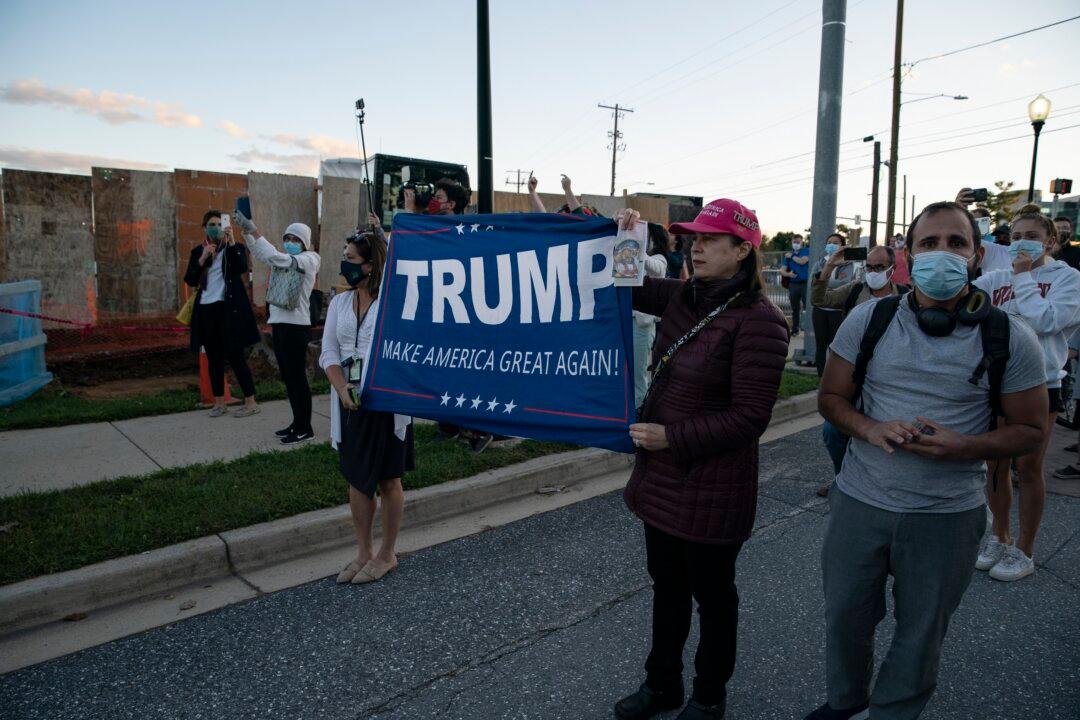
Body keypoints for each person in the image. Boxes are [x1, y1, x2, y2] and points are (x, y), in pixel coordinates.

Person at [806, 200, 1047, 720]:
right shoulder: (868, 319)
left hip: (947, 518)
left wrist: (967, 446)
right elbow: (830, 399)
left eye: (956, 244)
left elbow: (1032, 431)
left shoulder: (1011, 337)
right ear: (908, 258)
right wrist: (869, 427)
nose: (942, 254)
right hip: (860, 504)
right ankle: (845, 704)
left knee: (920, 636)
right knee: (845, 618)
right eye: (928, 244)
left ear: (977, 255)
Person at [613, 199, 789, 720]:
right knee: (666, 587)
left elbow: (750, 417)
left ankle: (709, 695)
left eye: (712, 239)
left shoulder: (761, 322)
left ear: (743, 250)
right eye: (694, 237)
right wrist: (628, 237)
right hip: (663, 478)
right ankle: (661, 683)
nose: (698, 245)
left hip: (715, 485)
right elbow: (628, 285)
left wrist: (673, 437)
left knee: (713, 597)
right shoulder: (686, 297)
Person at [972, 205, 1080, 581]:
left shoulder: (1068, 278)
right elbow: (966, 304)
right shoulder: (995, 277)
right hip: (996, 382)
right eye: (1016, 237)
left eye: (1031, 237)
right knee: (995, 464)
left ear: (1051, 241)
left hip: (1042, 383)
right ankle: (999, 536)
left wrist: (1022, 278)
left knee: (1029, 467)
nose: (1021, 243)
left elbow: (1045, 320)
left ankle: (1025, 550)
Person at [320, 229, 413, 584]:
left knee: (389, 478)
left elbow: (405, 351)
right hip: (351, 402)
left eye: (352, 259)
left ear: (371, 266)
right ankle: (363, 552)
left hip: (387, 402)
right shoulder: (339, 303)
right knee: (357, 479)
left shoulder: (394, 303)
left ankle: (387, 553)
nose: (345, 265)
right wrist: (341, 387)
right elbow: (329, 351)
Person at [811, 244, 906, 493]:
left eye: (879, 267)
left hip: (891, 377)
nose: (873, 272)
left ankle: (883, 483)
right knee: (833, 432)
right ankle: (844, 479)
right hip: (854, 375)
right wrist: (830, 265)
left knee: (890, 433)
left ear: (891, 269)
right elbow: (819, 299)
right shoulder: (855, 291)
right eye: (869, 267)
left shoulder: (905, 296)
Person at [233, 211, 321, 445]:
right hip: (280, 325)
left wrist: (254, 229)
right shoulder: (283, 258)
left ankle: (305, 427)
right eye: (288, 239)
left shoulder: (309, 259)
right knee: (289, 378)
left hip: (296, 327)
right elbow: (266, 254)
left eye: (296, 240)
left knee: (297, 378)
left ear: (305, 243)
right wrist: (246, 233)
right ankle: (297, 422)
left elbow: (275, 257)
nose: (290, 243)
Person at [183, 211, 261, 417]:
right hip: (207, 310)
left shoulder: (232, 249)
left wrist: (233, 242)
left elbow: (241, 268)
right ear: (204, 227)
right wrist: (202, 259)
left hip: (229, 310)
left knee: (236, 356)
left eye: (219, 224)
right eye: (211, 224)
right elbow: (190, 279)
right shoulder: (197, 251)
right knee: (214, 358)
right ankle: (219, 403)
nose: (215, 227)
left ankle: (250, 401)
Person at [633, 224, 670, 408]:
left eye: (646, 235)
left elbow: (656, 269)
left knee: (638, 374)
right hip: (628, 320)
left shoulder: (659, 258)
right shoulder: (638, 256)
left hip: (642, 326)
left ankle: (640, 412)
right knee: (628, 371)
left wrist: (636, 245)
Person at [810, 233, 855, 375]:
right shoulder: (821, 262)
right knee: (820, 346)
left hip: (837, 311)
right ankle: (821, 378)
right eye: (829, 242)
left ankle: (834, 377)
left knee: (835, 347)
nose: (831, 245)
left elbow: (845, 283)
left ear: (842, 246)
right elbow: (814, 281)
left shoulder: (848, 262)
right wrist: (825, 281)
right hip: (819, 310)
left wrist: (823, 280)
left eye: (835, 243)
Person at [780, 234, 810, 335]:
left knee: (808, 308)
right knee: (795, 309)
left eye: (798, 242)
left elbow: (802, 261)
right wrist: (788, 274)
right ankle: (795, 329)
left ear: (802, 242)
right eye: (794, 242)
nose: (796, 244)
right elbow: (782, 270)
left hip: (805, 284)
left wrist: (792, 256)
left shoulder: (806, 251)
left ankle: (808, 329)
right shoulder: (788, 256)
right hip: (793, 285)